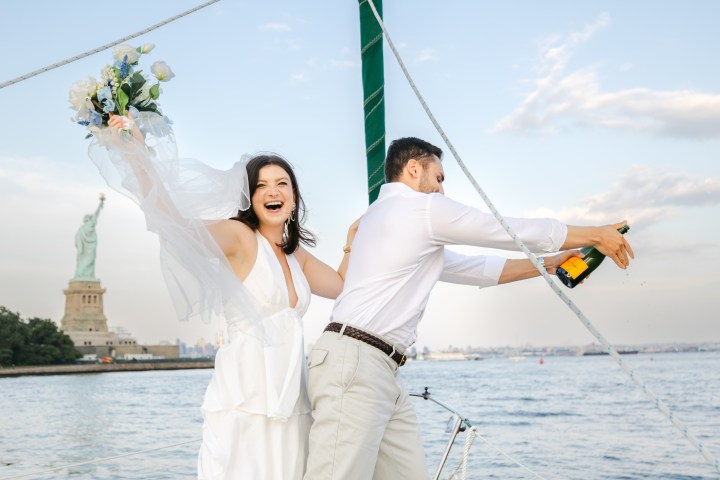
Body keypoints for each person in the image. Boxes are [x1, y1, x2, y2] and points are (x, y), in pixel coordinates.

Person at [303, 136, 634, 480]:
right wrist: (595, 235)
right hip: (356, 363)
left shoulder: (384, 217)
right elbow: (504, 229)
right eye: (439, 178)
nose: (442, 191)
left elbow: (474, 268)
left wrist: (547, 264)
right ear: (414, 169)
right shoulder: (420, 209)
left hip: (378, 368)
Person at [97, 112, 359, 479]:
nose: (273, 192)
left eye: (282, 184)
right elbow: (172, 222)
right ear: (249, 196)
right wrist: (141, 157)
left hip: (291, 393)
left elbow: (343, 288)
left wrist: (352, 240)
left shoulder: (294, 252)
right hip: (246, 393)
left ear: (294, 197)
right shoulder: (239, 236)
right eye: (262, 185)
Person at [73, 193, 105, 280]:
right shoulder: (82, 228)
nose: (89, 218)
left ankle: (89, 275)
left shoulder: (91, 223)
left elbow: (97, 213)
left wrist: (101, 203)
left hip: (91, 246)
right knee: (82, 261)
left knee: (91, 261)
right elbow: (77, 238)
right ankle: (81, 275)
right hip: (84, 249)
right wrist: (80, 247)